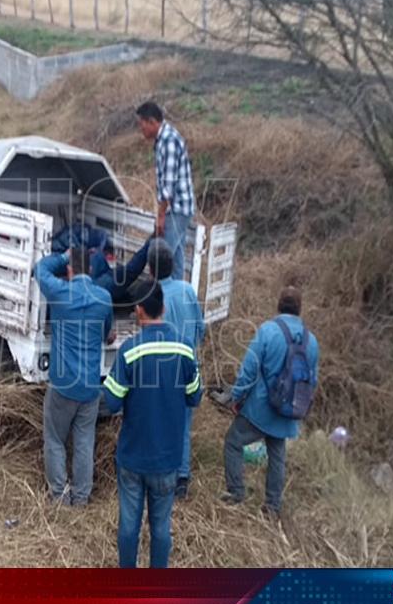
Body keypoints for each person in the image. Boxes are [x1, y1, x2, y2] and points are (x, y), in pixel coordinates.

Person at [104, 280, 202, 568]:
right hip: (168, 459)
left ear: (138, 311)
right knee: (161, 528)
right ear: (165, 307)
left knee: (129, 527)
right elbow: (195, 397)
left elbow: (111, 401)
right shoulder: (185, 350)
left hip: (133, 458)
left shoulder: (130, 351)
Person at [223, 287, 319, 518]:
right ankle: (273, 506)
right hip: (290, 409)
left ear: (279, 305)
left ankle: (236, 493)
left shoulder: (267, 331)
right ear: (299, 308)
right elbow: (312, 380)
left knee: (233, 442)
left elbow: (249, 370)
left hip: (261, 407)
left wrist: (234, 397)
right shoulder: (311, 340)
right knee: (277, 453)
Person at [35, 247, 114, 506]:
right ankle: (81, 498)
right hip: (91, 387)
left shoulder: (60, 293)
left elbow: (40, 269)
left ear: (70, 270)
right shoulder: (103, 298)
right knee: (84, 442)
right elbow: (107, 334)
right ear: (90, 269)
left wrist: (62, 256)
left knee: (55, 439)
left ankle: (59, 496)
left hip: (62, 385)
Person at [146, 239, 205, 500]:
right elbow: (201, 329)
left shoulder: (153, 298)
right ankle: (181, 479)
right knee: (182, 424)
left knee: (158, 421)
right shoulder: (188, 291)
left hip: (163, 373)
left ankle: (160, 474)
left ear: (150, 269)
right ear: (173, 266)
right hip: (188, 369)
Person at [136, 101, 195, 281]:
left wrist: (160, 216)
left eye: (142, 125)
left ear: (152, 122)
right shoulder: (164, 138)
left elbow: (168, 184)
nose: (141, 130)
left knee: (160, 260)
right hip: (179, 208)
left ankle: (158, 304)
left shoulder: (168, 141)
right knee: (175, 260)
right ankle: (176, 302)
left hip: (176, 209)